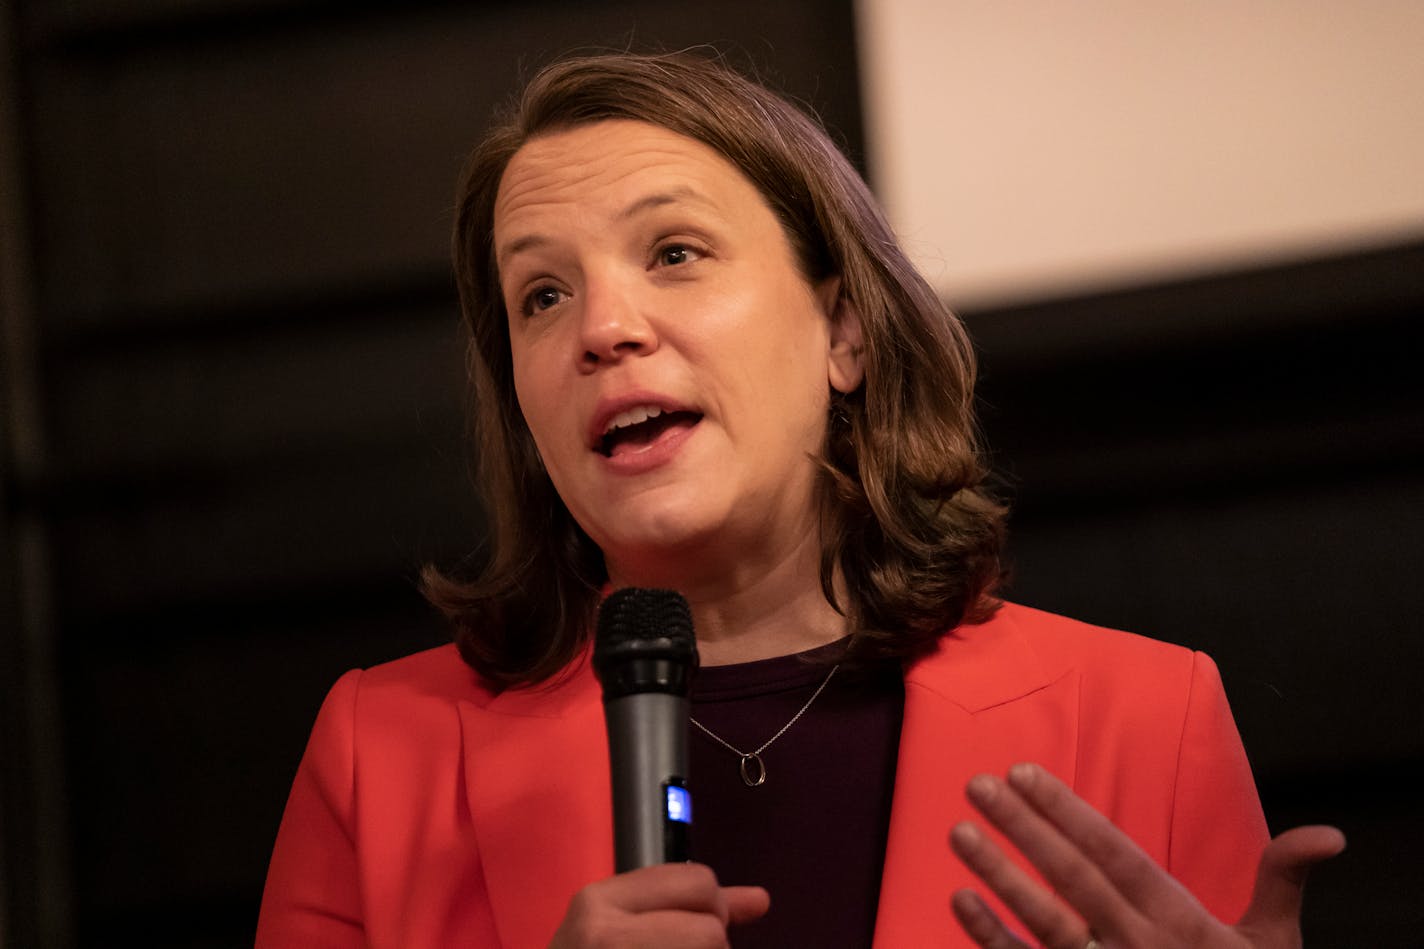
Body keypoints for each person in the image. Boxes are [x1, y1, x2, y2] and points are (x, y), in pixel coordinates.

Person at [255, 50, 1343, 948]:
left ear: (843, 331)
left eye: (672, 252)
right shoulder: (381, 754)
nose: (600, 328)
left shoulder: (1143, 717)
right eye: (541, 294)